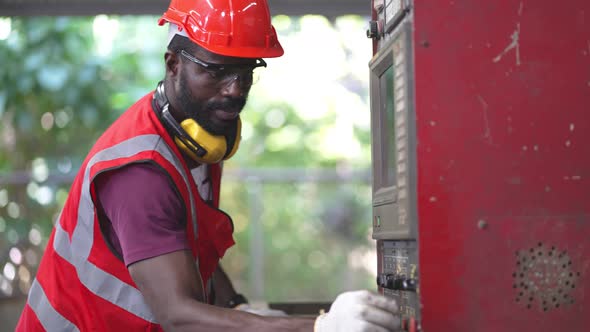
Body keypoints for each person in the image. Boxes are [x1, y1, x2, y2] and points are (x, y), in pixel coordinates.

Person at [16, 0, 401, 331]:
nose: (235, 89)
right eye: (215, 71)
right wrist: (319, 326)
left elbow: (188, 249)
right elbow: (178, 315)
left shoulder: (198, 141)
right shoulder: (141, 171)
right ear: (173, 65)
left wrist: (237, 308)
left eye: (245, 72)